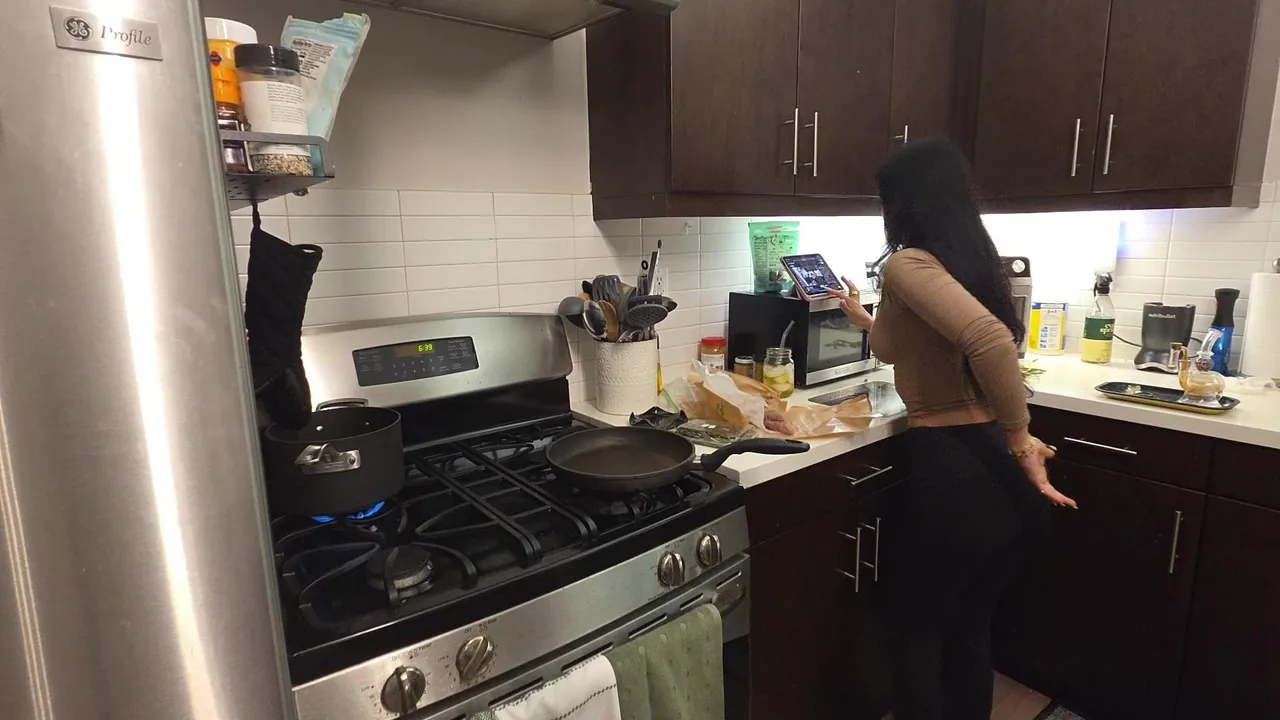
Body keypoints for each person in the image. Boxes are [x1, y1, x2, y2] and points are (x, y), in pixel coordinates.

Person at [824, 138, 1076, 720]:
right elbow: (893, 346)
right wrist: (861, 314)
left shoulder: (908, 263)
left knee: (916, 631)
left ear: (905, 203)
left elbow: (988, 340)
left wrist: (1021, 437)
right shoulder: (960, 262)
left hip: (955, 472)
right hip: (994, 477)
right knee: (966, 628)